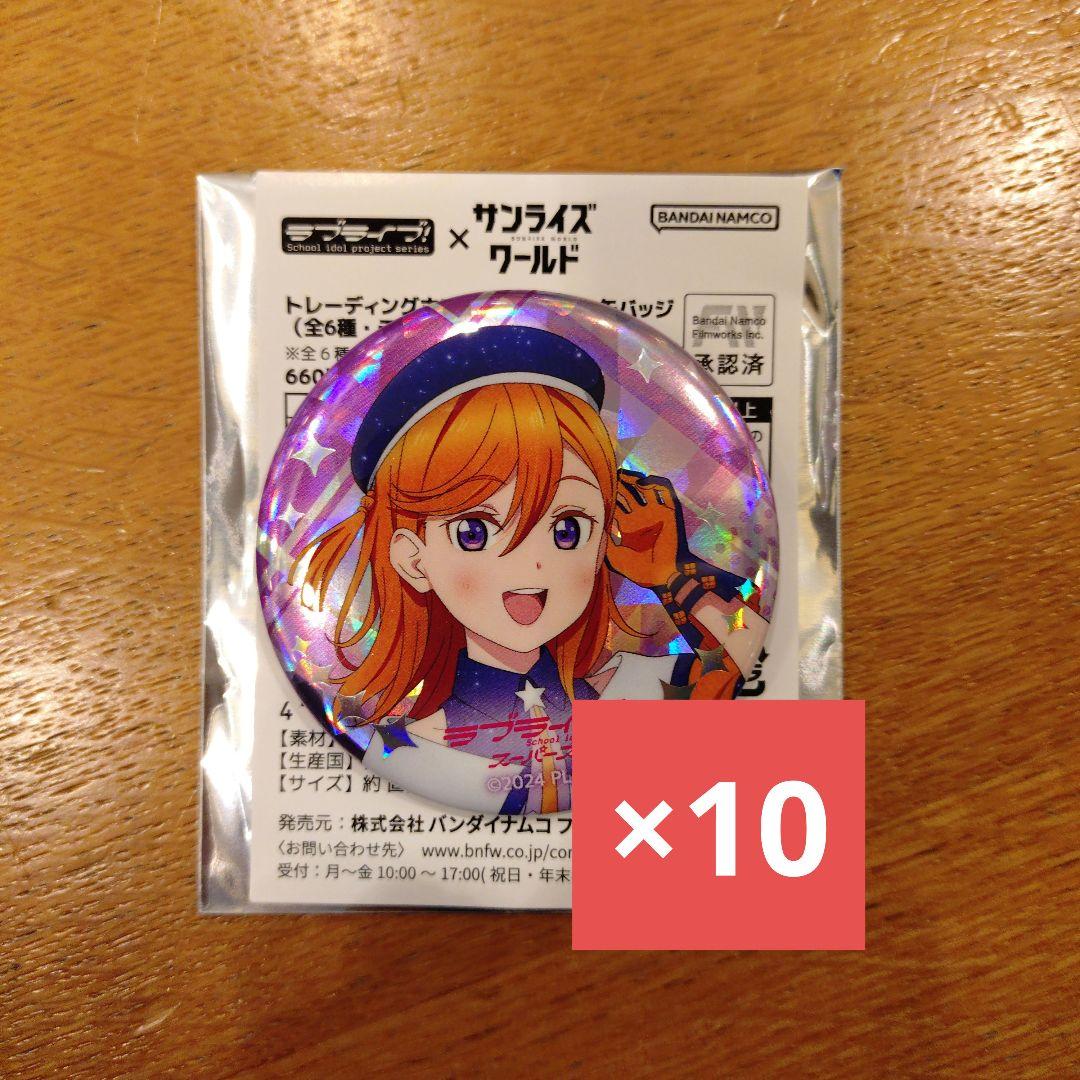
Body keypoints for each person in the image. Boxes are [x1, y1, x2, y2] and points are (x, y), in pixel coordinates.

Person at [293, 325, 769, 813]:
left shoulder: (633, 691)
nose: (532, 562)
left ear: (603, 539)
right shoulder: (410, 748)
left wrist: (673, 573)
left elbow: (751, 651)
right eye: (474, 532)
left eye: (567, 529)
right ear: (413, 559)